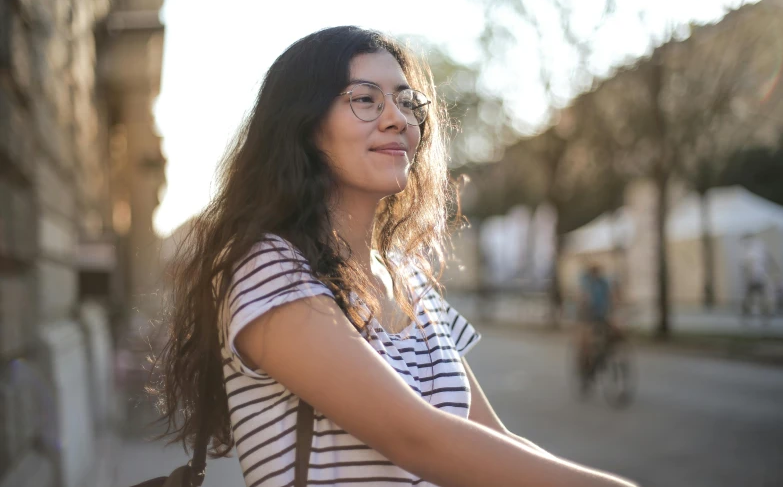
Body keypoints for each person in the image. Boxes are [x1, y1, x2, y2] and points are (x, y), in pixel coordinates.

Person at [156, 26, 638, 487]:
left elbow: (493, 441)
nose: (398, 119)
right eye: (365, 99)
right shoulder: (269, 268)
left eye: (406, 102)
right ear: (303, 126)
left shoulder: (410, 280)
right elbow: (419, 438)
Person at [576, 263, 621, 391]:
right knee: (587, 342)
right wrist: (585, 302)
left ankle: (602, 358)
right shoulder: (585, 282)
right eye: (594, 272)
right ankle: (585, 369)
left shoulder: (604, 283)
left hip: (601, 316)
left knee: (612, 336)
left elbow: (612, 297)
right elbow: (582, 297)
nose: (596, 274)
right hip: (586, 317)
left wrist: (614, 313)